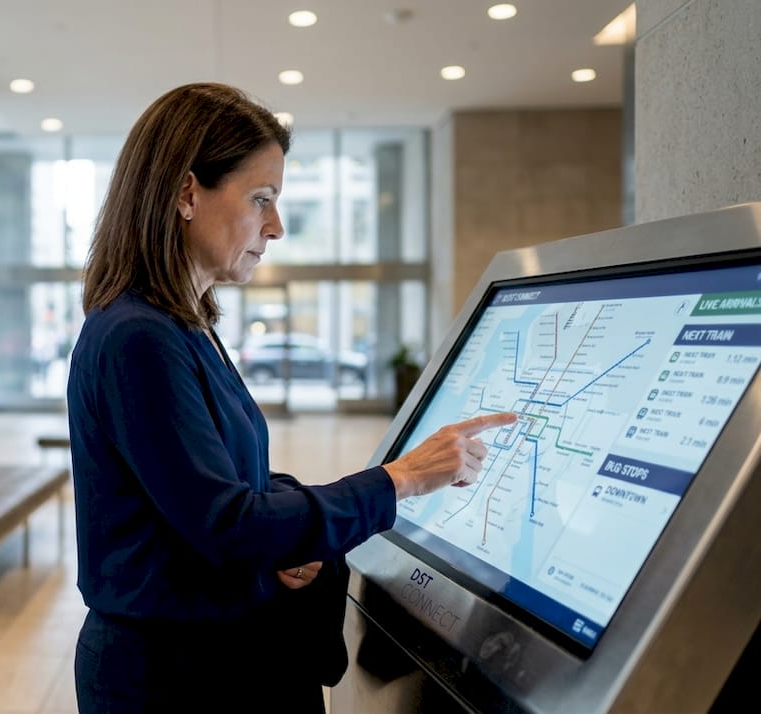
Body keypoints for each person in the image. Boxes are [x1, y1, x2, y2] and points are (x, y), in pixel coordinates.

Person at [66, 82, 517, 713]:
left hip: (205, 661)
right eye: (260, 199)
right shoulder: (138, 336)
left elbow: (213, 485)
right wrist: (401, 480)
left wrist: (296, 539)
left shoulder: (183, 325)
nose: (275, 226)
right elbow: (228, 525)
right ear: (185, 193)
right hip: (172, 680)